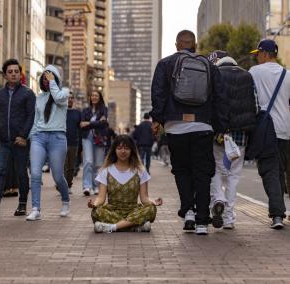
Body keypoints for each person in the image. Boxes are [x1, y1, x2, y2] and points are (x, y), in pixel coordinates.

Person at [150, 30, 228, 235]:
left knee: (182, 171)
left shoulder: (165, 64)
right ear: (195, 45)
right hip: (203, 126)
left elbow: (158, 94)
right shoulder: (210, 67)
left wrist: (157, 119)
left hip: (176, 126)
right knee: (202, 173)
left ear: (177, 45)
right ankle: (203, 221)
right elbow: (221, 98)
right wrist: (221, 127)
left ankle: (189, 214)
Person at [0, 59, 36, 218]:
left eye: (16, 72)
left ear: (20, 74)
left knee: (21, 173)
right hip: (3, 141)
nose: (13, 74)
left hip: (20, 141)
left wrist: (23, 136)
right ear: (5, 75)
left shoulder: (28, 93)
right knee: (0, 171)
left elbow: (31, 116)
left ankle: (22, 204)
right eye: (10, 72)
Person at [208, 50, 257, 230]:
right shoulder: (247, 76)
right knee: (233, 176)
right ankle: (229, 218)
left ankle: (218, 200)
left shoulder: (214, 75)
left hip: (218, 134)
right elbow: (256, 106)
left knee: (215, 169)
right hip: (240, 135)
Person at [248, 39, 290, 229]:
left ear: (265, 54)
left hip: (266, 130)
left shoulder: (254, 73)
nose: (256, 58)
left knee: (271, 172)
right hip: (286, 130)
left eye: (258, 54)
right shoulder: (287, 74)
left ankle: (278, 216)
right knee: (285, 172)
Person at [88, 135, 162, 233]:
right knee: (96, 211)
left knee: (151, 209)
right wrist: (94, 204)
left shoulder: (140, 171)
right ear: (114, 150)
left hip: (133, 211)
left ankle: (112, 227)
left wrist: (153, 201)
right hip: (112, 211)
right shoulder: (105, 171)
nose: (123, 151)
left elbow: (144, 198)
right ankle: (135, 226)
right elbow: (101, 198)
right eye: (119, 148)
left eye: (126, 148)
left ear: (132, 151)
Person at [26, 65, 70, 221]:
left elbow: (57, 97)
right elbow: (36, 121)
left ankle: (65, 201)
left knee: (58, 176)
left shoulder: (64, 92)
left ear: (56, 78)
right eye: (44, 78)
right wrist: (30, 138)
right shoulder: (39, 98)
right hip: (39, 137)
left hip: (57, 138)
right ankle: (35, 209)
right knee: (36, 174)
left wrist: (53, 82)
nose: (46, 80)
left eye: (50, 77)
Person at [80, 91, 108, 196]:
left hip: (99, 138)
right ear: (90, 97)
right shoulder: (85, 110)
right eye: (92, 95)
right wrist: (96, 123)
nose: (94, 97)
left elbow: (103, 123)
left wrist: (89, 123)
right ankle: (87, 186)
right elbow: (82, 124)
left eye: (96, 95)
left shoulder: (104, 110)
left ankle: (96, 186)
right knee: (88, 161)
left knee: (98, 164)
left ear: (100, 97)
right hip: (87, 138)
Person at [64, 91, 81, 191]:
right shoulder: (60, 111)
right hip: (61, 143)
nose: (69, 100)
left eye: (71, 98)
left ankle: (69, 185)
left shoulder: (78, 113)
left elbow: (81, 128)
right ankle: (62, 185)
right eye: (67, 98)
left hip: (74, 143)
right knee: (64, 166)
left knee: (71, 167)